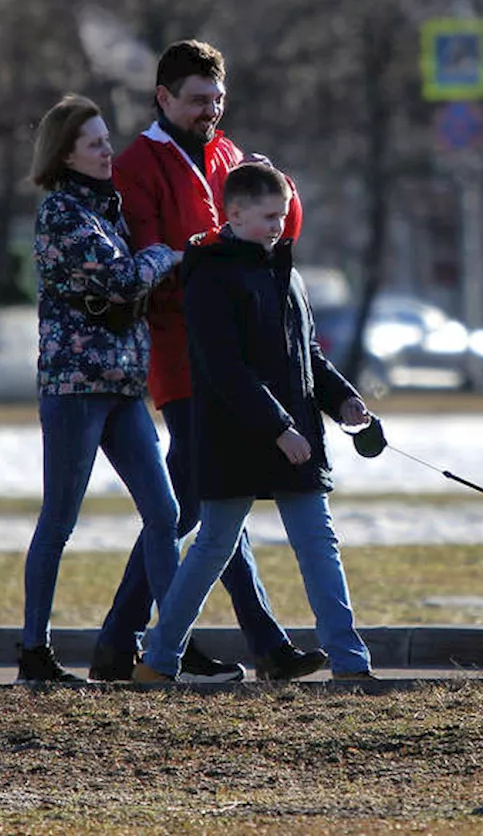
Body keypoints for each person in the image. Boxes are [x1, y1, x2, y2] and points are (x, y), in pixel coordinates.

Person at [91, 39, 325, 683]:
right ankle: (132, 641)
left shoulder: (229, 156)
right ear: (163, 98)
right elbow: (149, 258)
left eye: (217, 100)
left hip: (240, 365)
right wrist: (205, 253)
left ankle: (142, 645)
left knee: (210, 504)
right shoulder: (139, 165)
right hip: (183, 356)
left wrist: (283, 187)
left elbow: (278, 234)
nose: (210, 112)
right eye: (197, 101)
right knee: (197, 506)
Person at [132, 162, 375, 683]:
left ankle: (351, 664)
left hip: (295, 438)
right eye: (268, 216)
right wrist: (277, 427)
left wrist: (344, 401)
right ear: (233, 213)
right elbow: (224, 368)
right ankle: (158, 659)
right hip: (235, 438)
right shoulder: (212, 275)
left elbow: (307, 355)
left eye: (283, 216)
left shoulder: (286, 273)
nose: (278, 226)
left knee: (318, 542)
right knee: (213, 545)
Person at [18, 94, 183, 683]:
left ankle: (168, 652)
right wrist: (166, 252)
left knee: (165, 513)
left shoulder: (108, 208)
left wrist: (149, 260)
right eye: (94, 142)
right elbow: (120, 278)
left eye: (108, 138)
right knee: (60, 519)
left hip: (123, 386)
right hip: (75, 387)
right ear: (65, 154)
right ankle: (34, 651)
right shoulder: (63, 213)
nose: (107, 149)